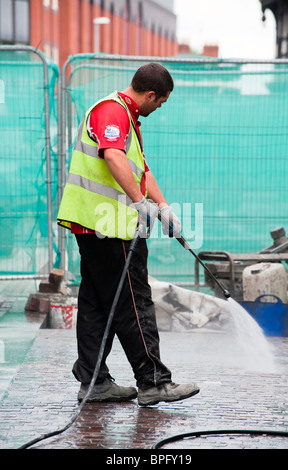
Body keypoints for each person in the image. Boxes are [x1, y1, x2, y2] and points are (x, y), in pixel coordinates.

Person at [57, 62, 199, 406]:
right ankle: (153, 382)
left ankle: (94, 382)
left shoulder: (126, 118)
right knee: (133, 302)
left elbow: (140, 169)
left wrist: (163, 205)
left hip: (94, 224)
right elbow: (112, 156)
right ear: (150, 95)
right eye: (161, 101)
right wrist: (139, 203)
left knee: (96, 304)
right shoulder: (112, 111)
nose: (160, 107)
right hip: (108, 227)